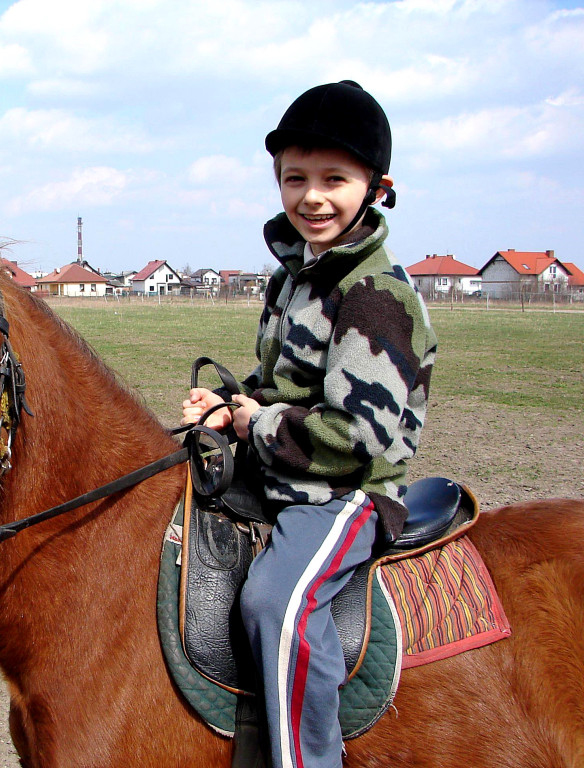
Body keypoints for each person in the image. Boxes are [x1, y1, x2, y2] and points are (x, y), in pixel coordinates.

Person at [181, 80, 436, 768]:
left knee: (274, 603)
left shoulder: (377, 295)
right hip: (286, 471)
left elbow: (353, 435)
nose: (312, 196)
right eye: (295, 178)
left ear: (377, 187)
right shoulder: (297, 277)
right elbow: (280, 383)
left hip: (347, 493)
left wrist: (253, 423)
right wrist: (227, 403)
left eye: (335, 178)